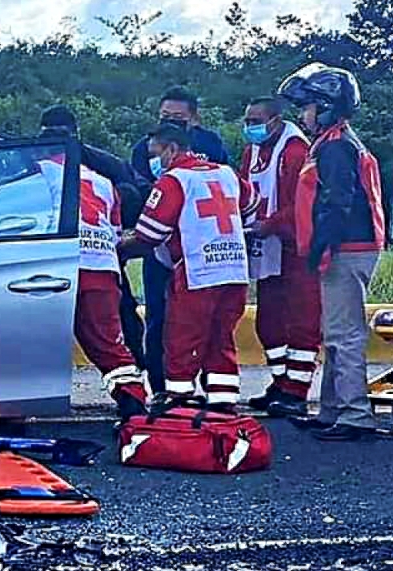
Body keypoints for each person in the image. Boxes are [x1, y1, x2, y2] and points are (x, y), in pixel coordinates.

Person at [278, 63, 386, 441]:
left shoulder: (337, 146)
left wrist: (322, 245)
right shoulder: (333, 142)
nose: (302, 114)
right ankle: (332, 410)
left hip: (347, 248)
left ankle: (355, 415)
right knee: (335, 333)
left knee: (345, 334)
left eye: (307, 107)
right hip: (348, 247)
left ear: (325, 107)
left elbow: (337, 201)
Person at [119, 122, 258, 411]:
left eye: (155, 153)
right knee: (221, 338)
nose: (153, 162)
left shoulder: (174, 180)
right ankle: (223, 403)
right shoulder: (226, 173)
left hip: (197, 271)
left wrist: (115, 248)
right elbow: (251, 204)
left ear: (172, 148)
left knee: (182, 337)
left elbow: (149, 235)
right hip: (233, 271)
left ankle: (179, 401)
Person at [38, 106, 148, 419]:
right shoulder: (102, 179)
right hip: (102, 267)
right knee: (109, 345)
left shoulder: (34, 174)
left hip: (54, 267)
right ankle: (133, 404)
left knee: (32, 338)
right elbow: (114, 230)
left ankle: (14, 411)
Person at [130, 87, 231, 395]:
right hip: (162, 247)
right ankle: (163, 390)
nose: (171, 122)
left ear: (194, 118)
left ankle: (215, 397)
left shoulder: (211, 144)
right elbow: (138, 191)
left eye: (178, 118)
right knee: (159, 320)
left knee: (212, 325)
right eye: (165, 117)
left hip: (203, 250)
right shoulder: (144, 148)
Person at [238, 96, 316, 418]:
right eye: (247, 121)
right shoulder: (251, 152)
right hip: (267, 246)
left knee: (301, 321)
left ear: (276, 120)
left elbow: (302, 203)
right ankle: (280, 381)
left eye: (256, 121)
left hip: (296, 248)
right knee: (269, 322)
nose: (250, 127)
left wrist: (270, 225)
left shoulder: (296, 150)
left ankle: (297, 390)